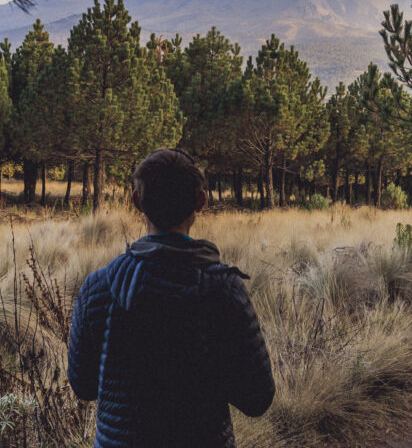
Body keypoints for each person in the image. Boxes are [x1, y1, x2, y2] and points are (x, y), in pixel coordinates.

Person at [67, 148, 274, 447]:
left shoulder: (98, 288)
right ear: (200, 201)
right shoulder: (223, 291)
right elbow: (257, 399)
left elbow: (83, 386)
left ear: (137, 201)